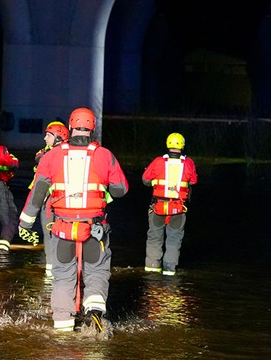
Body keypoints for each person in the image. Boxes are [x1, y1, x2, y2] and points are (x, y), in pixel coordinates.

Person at [18, 108, 128, 332]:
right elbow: (121, 190)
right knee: (96, 271)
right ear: (92, 128)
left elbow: (38, 193)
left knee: (63, 276)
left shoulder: (51, 156)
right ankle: (94, 308)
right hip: (94, 227)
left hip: (63, 228)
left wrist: (25, 222)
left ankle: (62, 325)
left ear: (70, 127)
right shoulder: (104, 155)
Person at [141, 132, 198, 276]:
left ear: (168, 144)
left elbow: (145, 180)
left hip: (158, 207)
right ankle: (169, 271)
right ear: (182, 145)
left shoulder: (158, 161)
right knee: (174, 240)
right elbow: (193, 181)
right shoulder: (188, 163)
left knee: (154, 238)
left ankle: (152, 271)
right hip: (178, 209)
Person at [28, 121, 70, 276]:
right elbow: (39, 158)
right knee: (48, 232)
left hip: (63, 201)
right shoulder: (45, 153)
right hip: (47, 200)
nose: (45, 138)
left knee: (64, 233)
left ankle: (62, 267)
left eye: (48, 135)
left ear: (58, 137)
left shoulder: (68, 153)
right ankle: (51, 267)